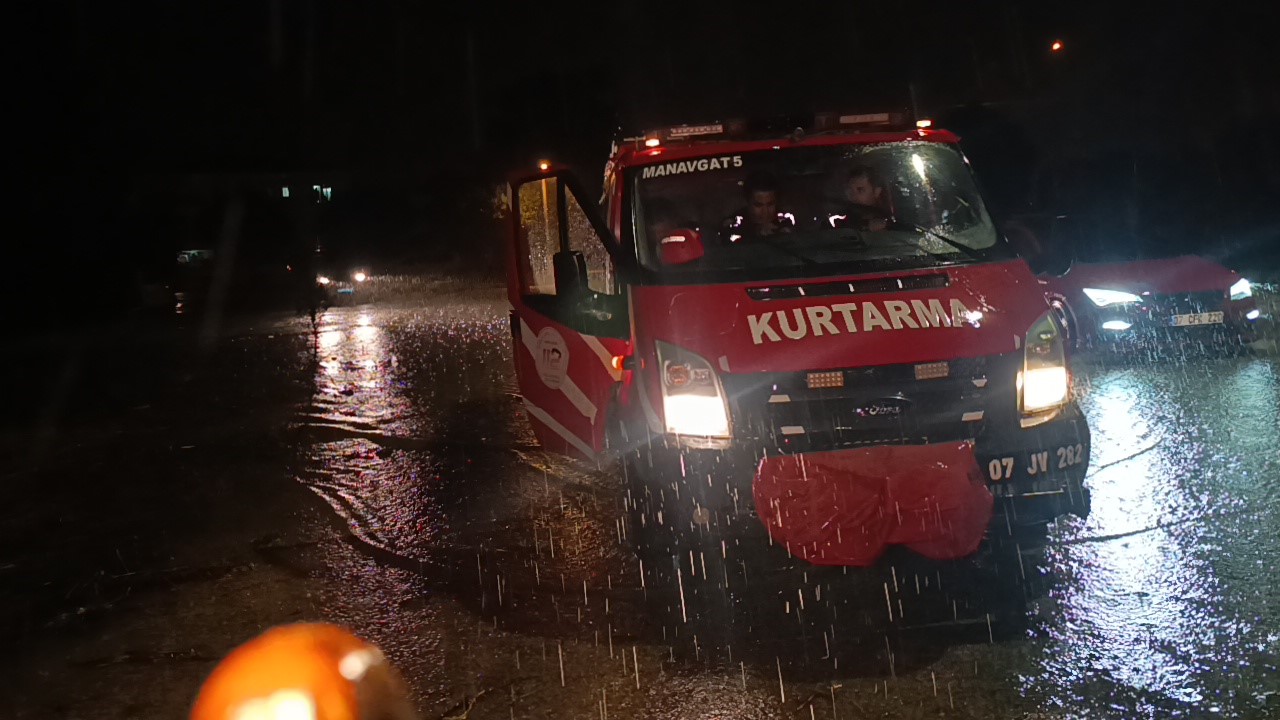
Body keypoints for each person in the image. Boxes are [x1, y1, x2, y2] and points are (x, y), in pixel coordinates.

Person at [725, 170, 792, 241]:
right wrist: (756, 232)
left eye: (770, 204)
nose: (765, 212)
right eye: (758, 205)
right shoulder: (733, 224)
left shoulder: (787, 220)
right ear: (747, 202)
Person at [836, 164, 891, 231]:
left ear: (876, 192)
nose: (853, 195)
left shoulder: (890, 219)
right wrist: (866, 226)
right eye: (849, 190)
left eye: (860, 190)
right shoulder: (838, 217)